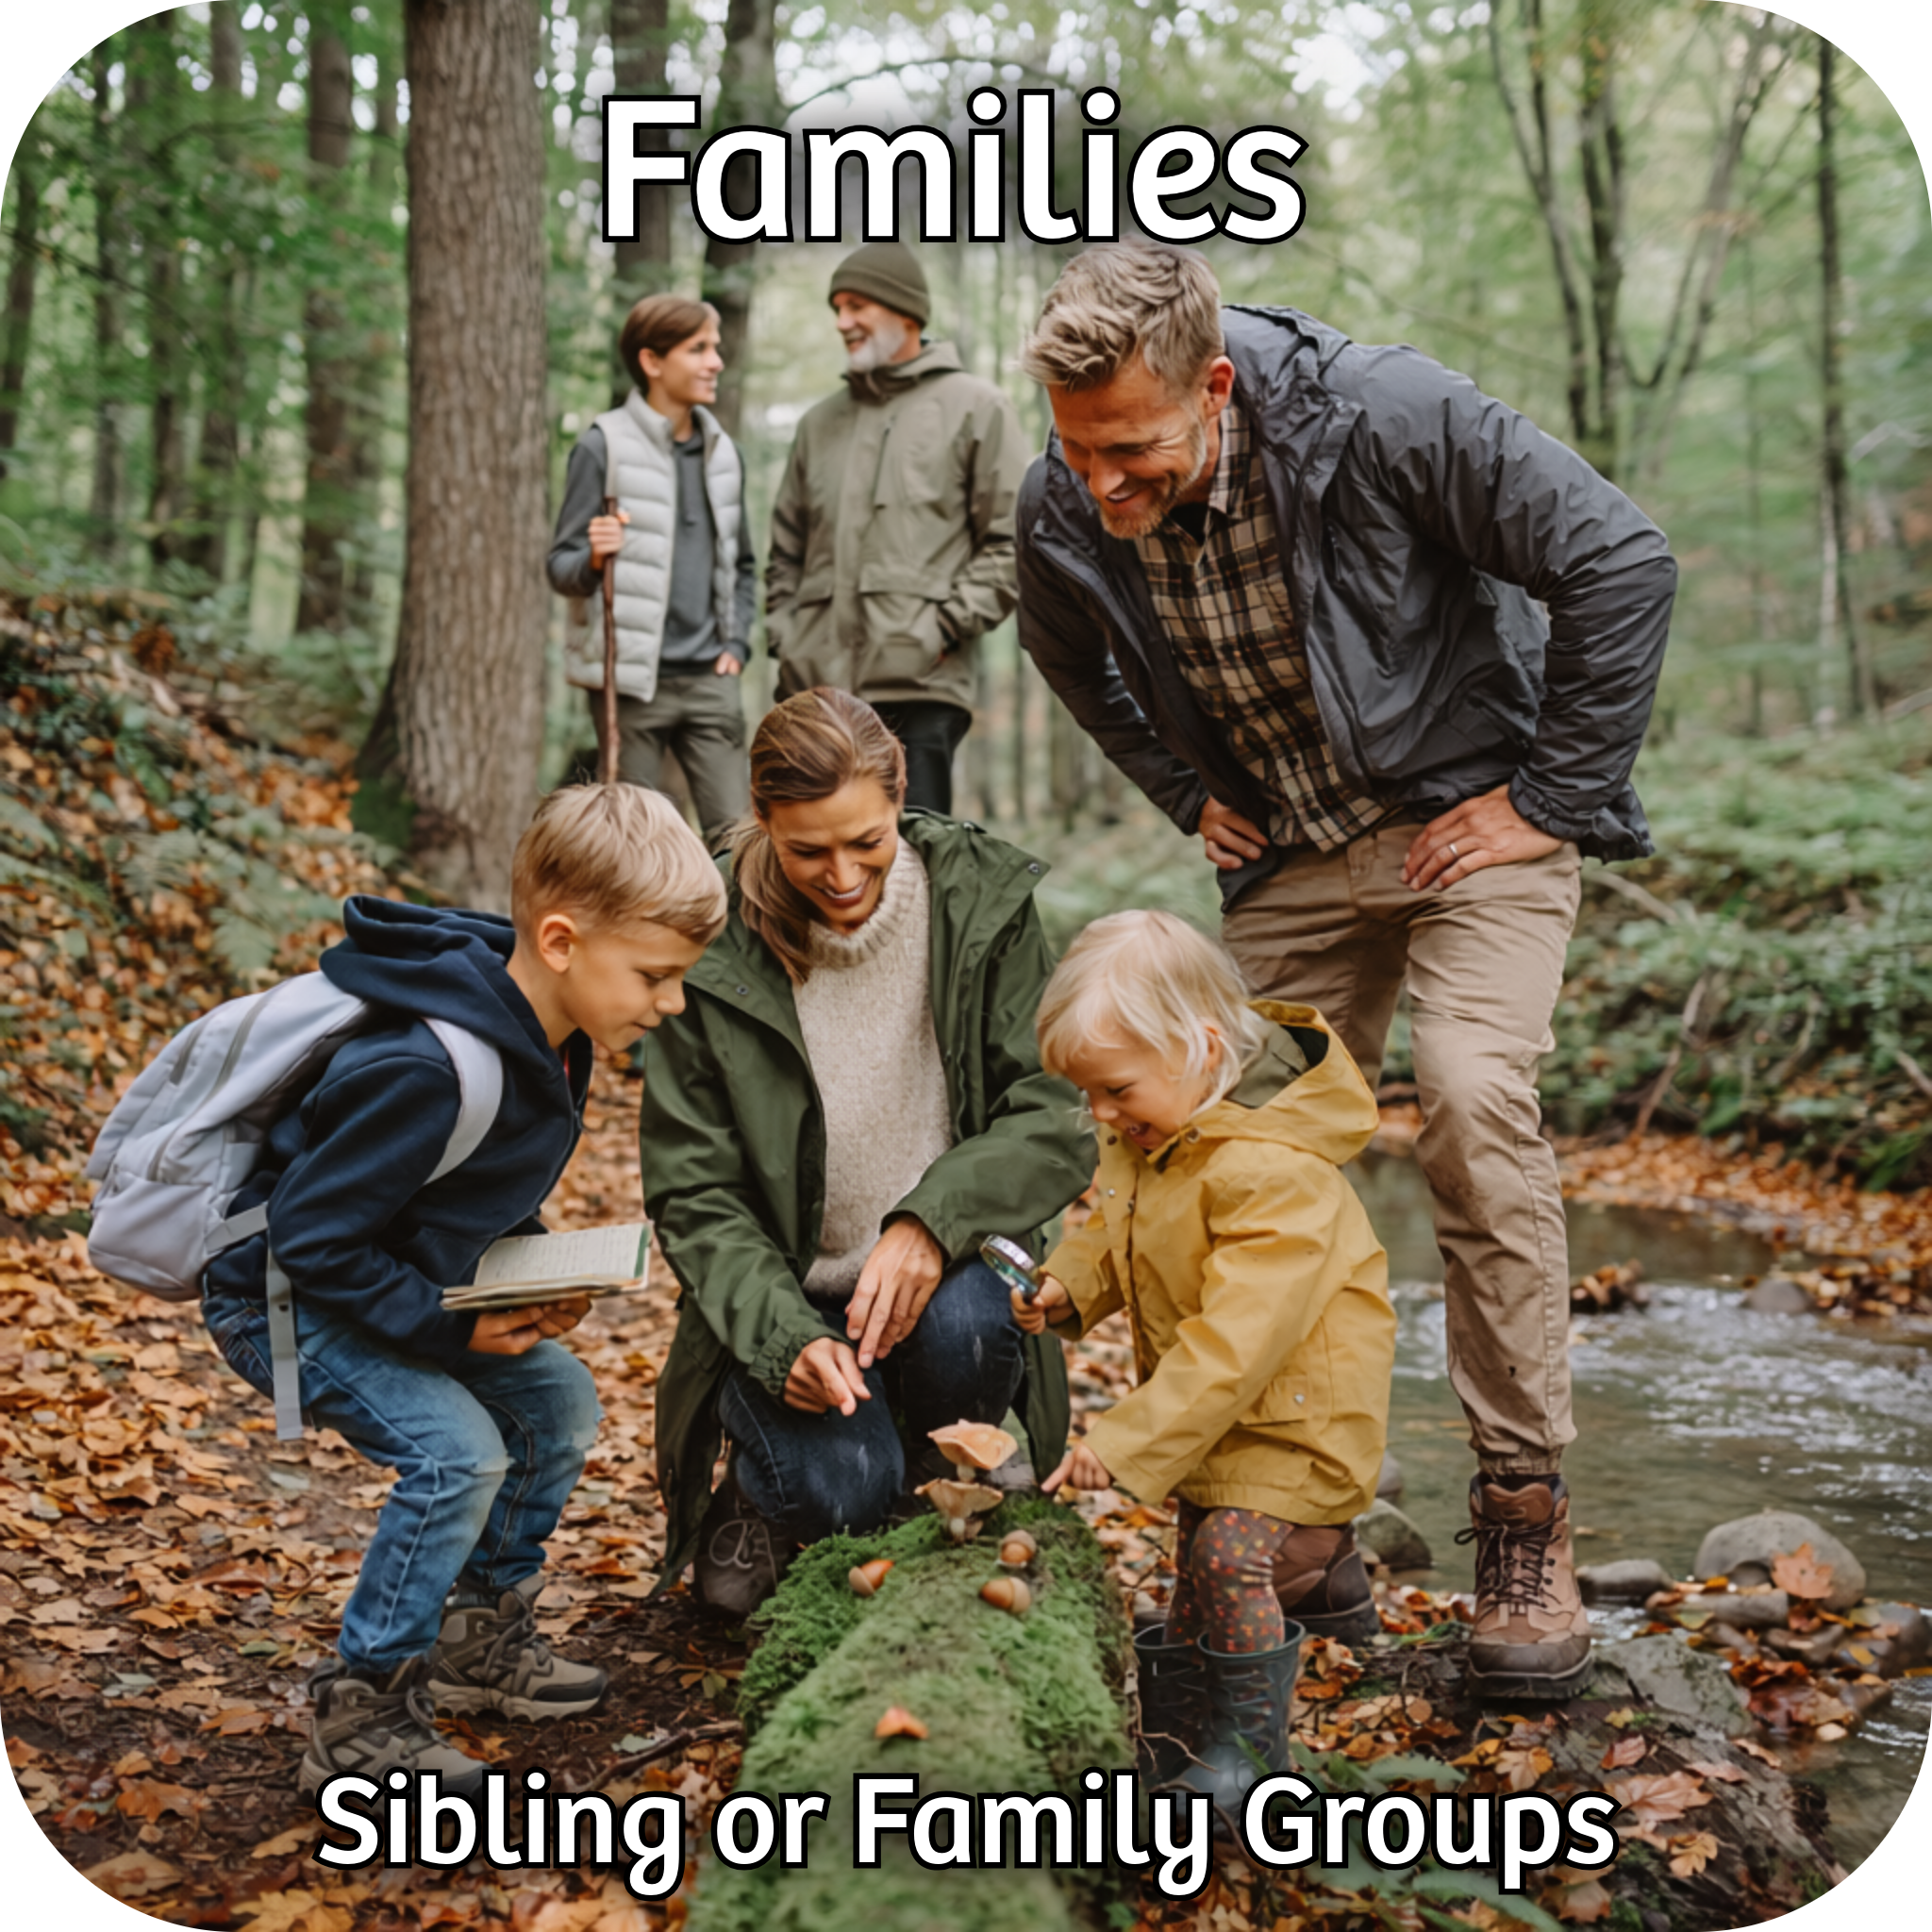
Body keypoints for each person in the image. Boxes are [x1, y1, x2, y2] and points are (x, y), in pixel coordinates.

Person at [1013, 243, 1679, 1700]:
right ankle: (1300, 1534)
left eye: (1134, 454)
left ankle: (1522, 1519)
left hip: (1471, 829)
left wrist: (1554, 796)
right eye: (1078, 457)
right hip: (1295, 860)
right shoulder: (1068, 486)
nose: (1101, 491)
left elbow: (1619, 560)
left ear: (1217, 384)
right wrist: (1186, 791)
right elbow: (1066, 647)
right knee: (1217, 1146)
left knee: (1466, 1096)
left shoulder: (1384, 415)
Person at [200, 786, 727, 1793]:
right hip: (278, 1295)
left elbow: (446, 1194)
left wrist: (526, 1277)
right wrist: (450, 1334)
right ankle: (362, 1711)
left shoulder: (553, 1036)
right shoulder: (429, 1065)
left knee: (559, 1398)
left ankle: (474, 1634)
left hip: (369, 1275)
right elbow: (314, 1236)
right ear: (564, 940)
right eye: (654, 977)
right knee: (456, 1454)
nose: (669, 1002)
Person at [637, 687, 1093, 1617]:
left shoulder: (979, 901)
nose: (843, 875)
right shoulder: (710, 933)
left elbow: (1050, 1114)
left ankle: (936, 1462)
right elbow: (692, 1189)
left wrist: (931, 1220)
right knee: (836, 1492)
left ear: (900, 793)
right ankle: (764, 1486)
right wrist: (780, 1337)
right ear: (762, 820)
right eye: (807, 850)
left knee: (973, 1324)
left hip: (945, 1280)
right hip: (789, 1291)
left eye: (868, 842)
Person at [1013, 909, 1392, 1821]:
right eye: (1087, 1096)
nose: (1101, 1115)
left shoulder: (1271, 1170)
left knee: (1226, 1560)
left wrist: (1127, 1436)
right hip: (1227, 1415)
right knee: (1194, 1566)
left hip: (1297, 1410)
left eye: (1114, 1090)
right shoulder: (1160, 1132)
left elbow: (1239, 1338)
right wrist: (1068, 1285)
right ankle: (1177, 1739)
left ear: (1202, 1045)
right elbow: (1114, 1229)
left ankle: (1254, 1757)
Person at [763, 241, 1026, 813]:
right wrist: (787, 638)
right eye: (837, 307)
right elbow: (785, 551)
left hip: (917, 688)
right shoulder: (817, 424)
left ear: (904, 310)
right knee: (812, 870)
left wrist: (945, 629)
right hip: (815, 694)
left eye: (856, 305)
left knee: (915, 865)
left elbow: (1014, 541)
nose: (842, 321)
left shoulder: (977, 407)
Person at [548, 294, 757, 848]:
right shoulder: (603, 446)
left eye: (715, 347)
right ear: (652, 361)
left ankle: (734, 936)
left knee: (739, 843)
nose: (716, 361)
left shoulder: (723, 452)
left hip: (712, 680)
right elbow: (560, 568)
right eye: (698, 349)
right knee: (636, 848)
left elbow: (742, 564)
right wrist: (595, 557)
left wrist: (736, 641)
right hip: (632, 685)